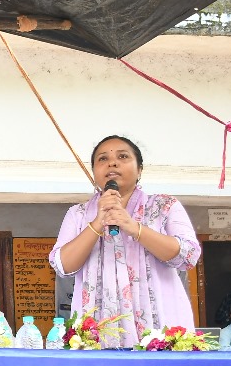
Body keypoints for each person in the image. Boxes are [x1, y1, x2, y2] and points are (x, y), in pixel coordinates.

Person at [48, 135, 201, 348]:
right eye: (103, 159)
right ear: (94, 172)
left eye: (122, 156)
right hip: (98, 336)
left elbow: (188, 255)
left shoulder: (164, 206)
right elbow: (62, 265)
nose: (112, 163)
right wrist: (97, 223)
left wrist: (133, 227)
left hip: (160, 334)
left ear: (140, 170)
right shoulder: (78, 214)